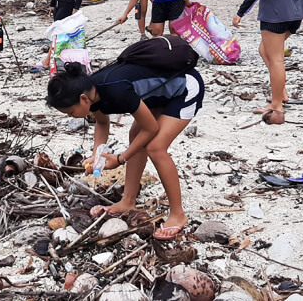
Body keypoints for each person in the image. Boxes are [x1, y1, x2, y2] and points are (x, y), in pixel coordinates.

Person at [46, 54, 204, 240]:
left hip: (185, 87)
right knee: (136, 137)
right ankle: (128, 201)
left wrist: (121, 159)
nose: (71, 117)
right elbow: (102, 123)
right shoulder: (92, 91)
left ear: (83, 99)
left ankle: (178, 214)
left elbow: (151, 128)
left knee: (155, 147)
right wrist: (97, 155)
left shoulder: (116, 90)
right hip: (160, 93)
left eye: (70, 112)